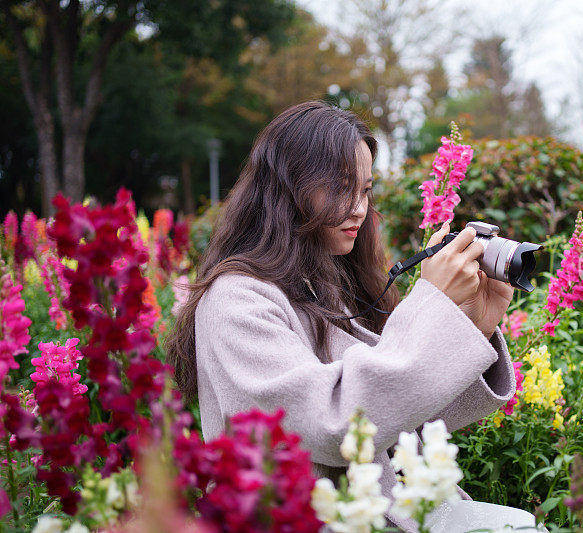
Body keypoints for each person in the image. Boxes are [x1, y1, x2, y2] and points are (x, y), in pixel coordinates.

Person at [166, 101, 542, 532]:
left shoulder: (320, 286)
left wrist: (475, 325)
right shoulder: (236, 301)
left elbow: (404, 419)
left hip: (373, 510)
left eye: (365, 190)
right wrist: (431, 302)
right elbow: (336, 426)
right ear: (286, 187)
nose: (359, 208)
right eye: (341, 187)